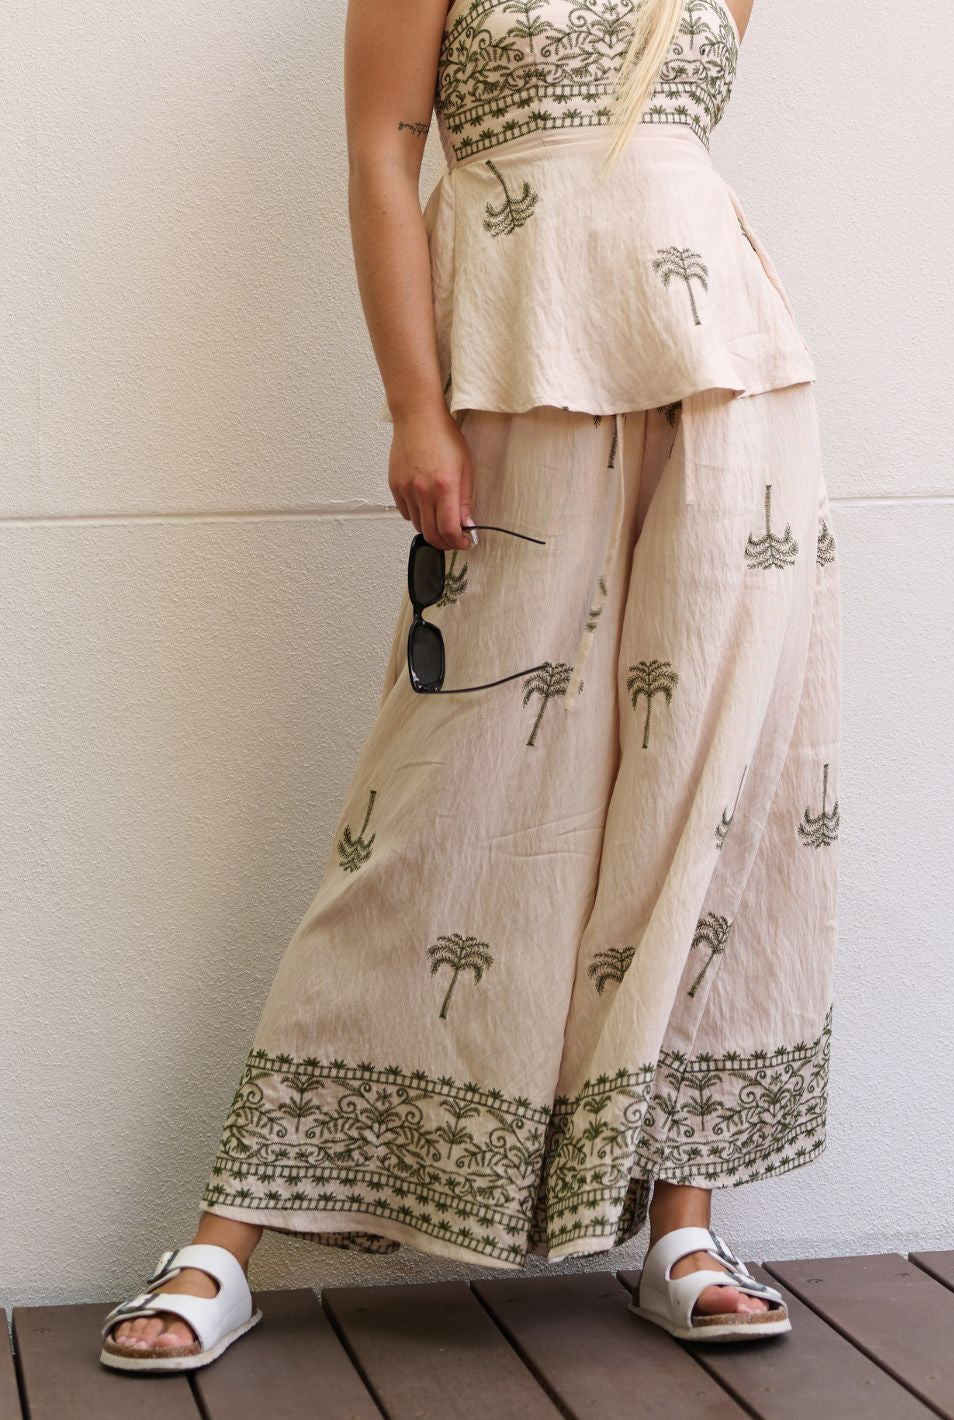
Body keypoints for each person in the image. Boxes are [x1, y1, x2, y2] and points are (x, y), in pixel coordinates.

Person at [100, 0, 842, 1370]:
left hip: (730, 378)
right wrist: (413, 407)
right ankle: (228, 1237)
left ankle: (682, 1231)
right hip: (520, 358)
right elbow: (382, 156)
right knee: (436, 792)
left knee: (714, 785)